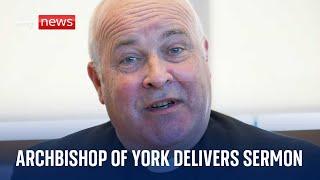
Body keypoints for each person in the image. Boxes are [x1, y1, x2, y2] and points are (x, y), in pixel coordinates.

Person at [11, 0, 320, 180]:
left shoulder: (297, 168)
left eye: (174, 49)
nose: (157, 77)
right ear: (99, 82)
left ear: (205, 59)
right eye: (129, 59)